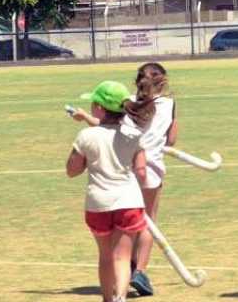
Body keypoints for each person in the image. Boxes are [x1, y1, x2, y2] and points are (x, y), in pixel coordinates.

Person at [71, 63, 177, 297]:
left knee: (118, 235)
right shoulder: (169, 104)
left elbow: (108, 128)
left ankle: (121, 276)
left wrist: (85, 117)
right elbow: (172, 139)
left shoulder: (126, 101)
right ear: (164, 82)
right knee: (148, 221)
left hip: (121, 167)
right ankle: (139, 270)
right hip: (150, 167)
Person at [65, 81, 153, 302]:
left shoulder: (86, 136)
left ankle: (107, 298)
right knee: (122, 257)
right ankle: (121, 296)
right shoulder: (133, 135)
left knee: (105, 256)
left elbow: (72, 170)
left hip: (98, 203)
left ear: (100, 108)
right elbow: (141, 171)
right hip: (128, 201)